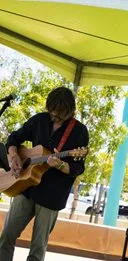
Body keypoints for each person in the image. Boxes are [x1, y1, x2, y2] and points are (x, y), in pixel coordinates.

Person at [0, 87, 89, 261]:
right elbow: (14, 138)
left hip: (52, 196)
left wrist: (60, 164)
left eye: (59, 114)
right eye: (52, 112)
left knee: (37, 250)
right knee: (6, 238)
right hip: (26, 188)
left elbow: (77, 169)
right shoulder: (40, 120)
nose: (54, 116)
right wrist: (14, 155)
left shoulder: (80, 131)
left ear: (70, 111)